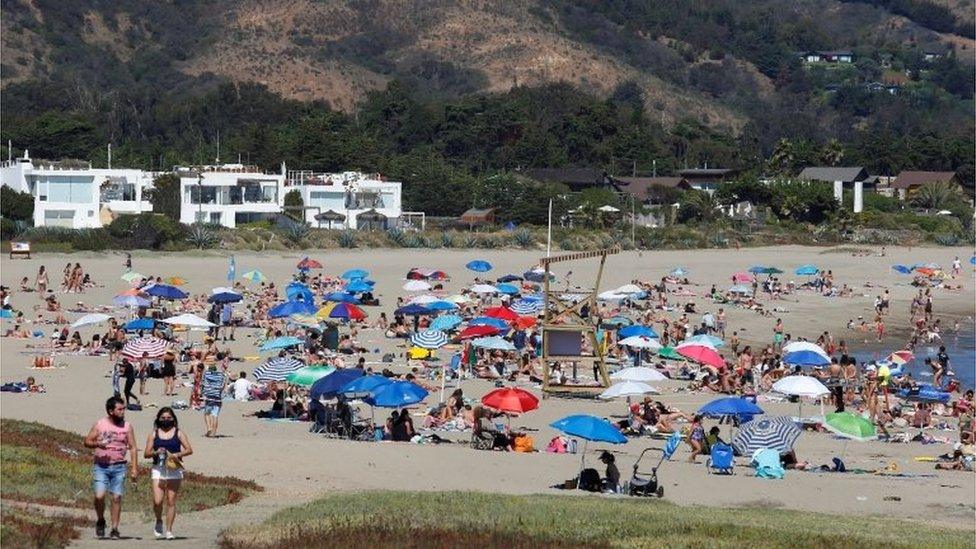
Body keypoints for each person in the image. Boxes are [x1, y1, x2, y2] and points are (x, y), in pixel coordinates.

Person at [83, 396, 138, 539]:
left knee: (116, 497)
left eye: (124, 409)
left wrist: (134, 468)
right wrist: (97, 444)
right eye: (119, 409)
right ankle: (101, 520)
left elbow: (132, 447)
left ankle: (115, 528)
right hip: (101, 466)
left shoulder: (127, 427)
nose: (123, 412)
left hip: (119, 466)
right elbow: (87, 441)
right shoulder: (100, 424)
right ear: (110, 411)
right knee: (99, 496)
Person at [143, 407, 192, 539]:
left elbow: (189, 449)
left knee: (171, 500)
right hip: (158, 469)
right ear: (158, 419)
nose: (166, 420)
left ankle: (169, 530)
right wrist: (155, 452)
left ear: (173, 419)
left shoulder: (179, 433)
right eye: (163, 418)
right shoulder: (154, 434)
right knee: (158, 501)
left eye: (169, 418)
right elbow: (146, 453)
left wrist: (177, 454)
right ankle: (159, 519)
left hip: (174, 469)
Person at [201, 365, 227, 437]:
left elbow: (202, 384)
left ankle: (209, 428)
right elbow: (222, 387)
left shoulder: (206, 375)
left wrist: (203, 393)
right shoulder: (221, 376)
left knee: (206, 413)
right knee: (215, 415)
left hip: (209, 397)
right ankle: (214, 433)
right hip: (217, 398)